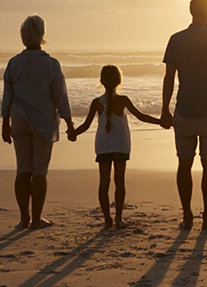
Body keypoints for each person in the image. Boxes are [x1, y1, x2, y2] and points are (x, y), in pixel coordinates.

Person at [160, 0, 207, 230]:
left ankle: (187, 216)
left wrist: (165, 109)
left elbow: (169, 78)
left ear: (191, 10)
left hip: (184, 109)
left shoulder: (176, 39)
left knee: (184, 163)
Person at [1, 15, 74, 230]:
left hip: (19, 119)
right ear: (42, 35)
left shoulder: (14, 63)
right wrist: (69, 123)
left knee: (23, 169)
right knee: (40, 170)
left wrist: (5, 123)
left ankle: (24, 218)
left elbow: (8, 96)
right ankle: (36, 219)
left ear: (23, 36)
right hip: (43, 121)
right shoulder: (51, 64)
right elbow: (61, 97)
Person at [68, 65, 160, 229]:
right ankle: (118, 218)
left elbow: (86, 125)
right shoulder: (123, 100)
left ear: (101, 81)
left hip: (103, 145)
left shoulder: (96, 102)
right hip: (120, 144)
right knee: (120, 182)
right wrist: (161, 121)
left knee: (104, 182)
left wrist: (73, 133)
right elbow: (141, 116)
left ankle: (107, 220)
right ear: (119, 81)